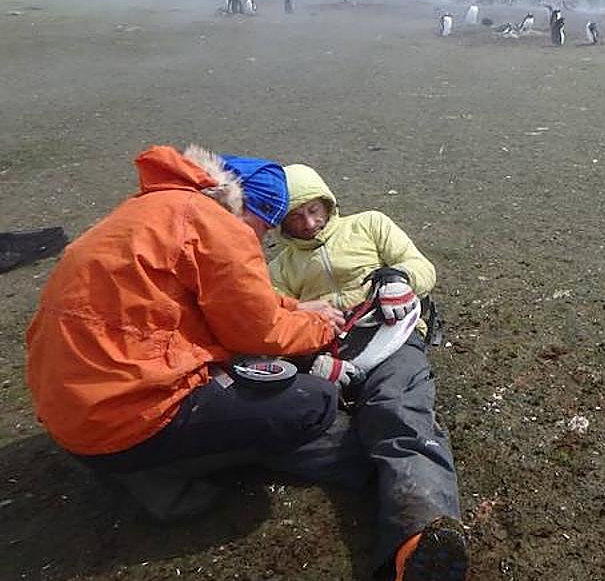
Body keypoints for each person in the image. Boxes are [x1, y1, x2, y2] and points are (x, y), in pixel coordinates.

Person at [25, 144, 357, 522]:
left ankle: (140, 462)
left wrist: (296, 308)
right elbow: (256, 333)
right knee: (313, 402)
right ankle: (159, 473)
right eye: (264, 227)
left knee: (248, 375)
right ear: (249, 211)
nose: (260, 240)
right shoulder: (221, 227)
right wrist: (318, 325)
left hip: (72, 410)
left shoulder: (155, 208)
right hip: (124, 422)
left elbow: (219, 305)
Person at [269, 164, 468, 581]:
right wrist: (309, 361)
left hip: (393, 339)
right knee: (283, 427)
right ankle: (389, 467)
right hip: (327, 362)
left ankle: (418, 548)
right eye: (294, 219)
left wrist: (400, 279)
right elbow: (271, 328)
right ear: (280, 223)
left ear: (328, 202)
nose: (309, 225)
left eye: (314, 211)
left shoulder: (370, 224)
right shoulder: (278, 270)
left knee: (398, 412)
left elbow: (423, 267)